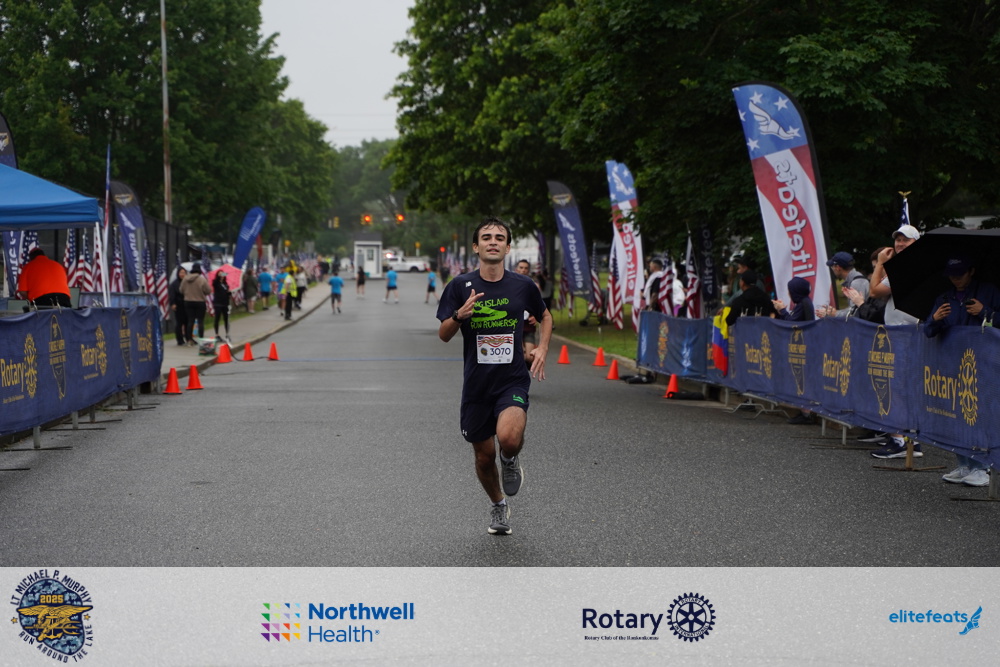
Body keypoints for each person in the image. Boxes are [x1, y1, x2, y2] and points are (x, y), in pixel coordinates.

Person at [437, 217, 552, 536]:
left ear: (507, 247)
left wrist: (542, 347)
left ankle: (510, 457)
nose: (493, 241)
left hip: (511, 379)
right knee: (484, 457)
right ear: (476, 247)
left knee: (509, 439)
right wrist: (459, 315)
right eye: (486, 237)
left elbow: (544, 315)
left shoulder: (522, 285)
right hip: (477, 385)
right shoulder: (459, 286)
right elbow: (443, 334)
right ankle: (498, 504)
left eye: (499, 238)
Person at [924, 255, 1000, 486]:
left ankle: (982, 468)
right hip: (952, 364)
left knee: (978, 414)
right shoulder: (944, 298)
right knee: (956, 414)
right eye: (951, 275)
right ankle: (964, 464)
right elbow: (928, 331)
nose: (955, 279)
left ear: (972, 271)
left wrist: (986, 312)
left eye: (960, 274)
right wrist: (935, 319)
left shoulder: (989, 291)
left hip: (983, 363)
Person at [868, 224, 922, 459]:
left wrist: (880, 262)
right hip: (902, 333)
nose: (900, 244)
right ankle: (911, 441)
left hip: (903, 335)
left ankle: (900, 440)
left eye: (905, 240)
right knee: (904, 388)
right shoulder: (907, 266)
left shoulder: (907, 268)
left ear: (916, 243)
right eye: (898, 239)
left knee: (897, 388)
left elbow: (874, 291)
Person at [819, 251, 870, 317]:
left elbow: (854, 312)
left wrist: (835, 313)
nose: (832, 269)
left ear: (838, 268)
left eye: (832, 267)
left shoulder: (856, 283)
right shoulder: (855, 280)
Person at [514, 259, 539, 363]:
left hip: (528, 325)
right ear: (516, 269)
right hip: (514, 325)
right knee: (518, 355)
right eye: (521, 268)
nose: (523, 270)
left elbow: (538, 304)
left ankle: (525, 366)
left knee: (529, 357)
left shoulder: (533, 285)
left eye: (525, 268)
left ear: (528, 271)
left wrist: (536, 316)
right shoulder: (510, 285)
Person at [180, 263, 211, 345]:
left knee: (190, 321)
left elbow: (181, 290)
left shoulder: (185, 279)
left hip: (188, 302)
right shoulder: (202, 279)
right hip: (200, 301)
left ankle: (189, 339)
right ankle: (201, 339)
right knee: (200, 321)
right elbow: (208, 290)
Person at [168, 267, 188, 346]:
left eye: (184, 273)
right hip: (178, 305)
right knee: (179, 323)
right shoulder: (174, 284)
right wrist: (172, 303)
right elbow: (172, 295)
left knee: (187, 322)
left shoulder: (187, 282)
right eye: (181, 273)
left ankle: (188, 338)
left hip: (187, 305)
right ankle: (180, 340)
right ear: (178, 274)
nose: (182, 274)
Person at [211, 270, 232, 341]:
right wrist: (219, 278)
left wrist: (229, 292)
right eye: (220, 274)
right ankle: (217, 334)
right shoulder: (216, 282)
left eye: (222, 274)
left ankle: (227, 334)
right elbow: (215, 285)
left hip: (225, 303)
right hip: (218, 303)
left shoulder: (225, 284)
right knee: (217, 318)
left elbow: (227, 293)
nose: (221, 275)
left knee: (226, 319)